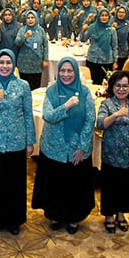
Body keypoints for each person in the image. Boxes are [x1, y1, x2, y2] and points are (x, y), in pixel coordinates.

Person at [32, 57, 96, 234]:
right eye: (62, 70)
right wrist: (66, 106)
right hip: (54, 147)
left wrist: (82, 147)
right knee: (55, 184)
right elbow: (48, 115)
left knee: (75, 185)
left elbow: (90, 120)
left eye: (70, 71)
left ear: (76, 72)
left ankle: (74, 217)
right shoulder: (52, 91)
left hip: (77, 149)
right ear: (58, 72)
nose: (66, 74)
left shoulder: (84, 92)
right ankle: (55, 215)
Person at [0, 49, 36, 235]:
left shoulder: (23, 86)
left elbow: (28, 114)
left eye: (8, 62)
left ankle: (14, 220)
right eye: (1, 62)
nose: (4, 66)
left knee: (15, 182)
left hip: (16, 141)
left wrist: (30, 141)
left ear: (14, 64)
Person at [97, 71, 129, 233]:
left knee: (126, 184)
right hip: (111, 153)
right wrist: (116, 114)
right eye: (118, 85)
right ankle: (109, 215)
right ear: (112, 87)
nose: (121, 89)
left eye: (125, 86)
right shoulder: (106, 104)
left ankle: (121, 213)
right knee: (110, 184)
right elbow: (101, 124)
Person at [80, 8, 118, 85]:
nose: (104, 17)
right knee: (91, 83)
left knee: (104, 84)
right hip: (92, 59)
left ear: (109, 17)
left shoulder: (112, 30)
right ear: (98, 16)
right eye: (102, 15)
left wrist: (115, 61)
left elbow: (114, 47)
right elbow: (83, 39)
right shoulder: (92, 27)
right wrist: (83, 30)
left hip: (107, 61)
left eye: (106, 15)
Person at [14, 10, 48, 89]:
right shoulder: (22, 30)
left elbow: (45, 45)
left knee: (36, 86)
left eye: (32, 18)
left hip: (37, 63)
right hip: (24, 64)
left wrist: (45, 59)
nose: (30, 20)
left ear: (36, 19)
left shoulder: (41, 30)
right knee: (25, 87)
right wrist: (25, 36)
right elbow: (17, 43)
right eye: (28, 18)